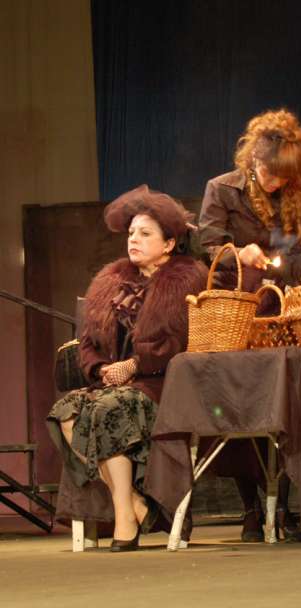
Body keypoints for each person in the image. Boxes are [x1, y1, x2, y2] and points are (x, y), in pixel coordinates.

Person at [47, 185, 207, 552]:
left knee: (107, 409)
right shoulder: (112, 280)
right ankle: (135, 505)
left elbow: (183, 341)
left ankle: (124, 518)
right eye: (132, 232)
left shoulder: (186, 278)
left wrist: (135, 364)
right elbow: (87, 343)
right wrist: (102, 370)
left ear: (169, 244)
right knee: (67, 412)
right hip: (114, 384)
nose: (133, 239)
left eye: (145, 233)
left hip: (162, 385)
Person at [199, 108, 301, 541]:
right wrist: (237, 253)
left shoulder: (293, 195)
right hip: (235, 308)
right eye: (270, 173)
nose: (275, 183)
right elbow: (207, 244)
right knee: (240, 403)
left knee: (281, 403)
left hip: (279, 307)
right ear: (253, 160)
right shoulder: (222, 189)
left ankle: (280, 506)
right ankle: (251, 506)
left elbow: (295, 251)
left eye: (284, 176)